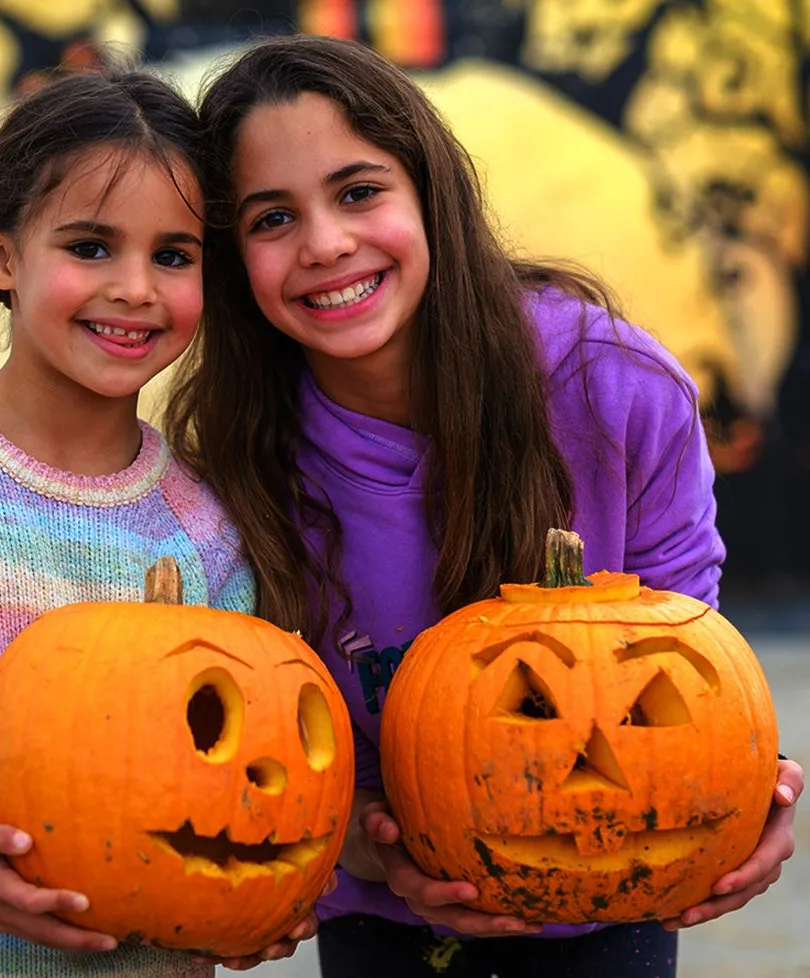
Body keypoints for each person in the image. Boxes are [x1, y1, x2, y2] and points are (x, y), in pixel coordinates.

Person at [165, 34, 804, 978]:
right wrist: (372, 851)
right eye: (271, 219)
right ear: (231, 258)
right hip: (381, 916)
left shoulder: (618, 391)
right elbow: (258, 751)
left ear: (431, 191)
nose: (326, 243)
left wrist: (743, 790)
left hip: (610, 912)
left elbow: (686, 664)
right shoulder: (239, 464)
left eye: (359, 191)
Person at [0, 68, 310, 978]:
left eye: (174, 255)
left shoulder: (205, 527)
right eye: (91, 246)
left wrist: (251, 896)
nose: (136, 288)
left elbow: (239, 759)